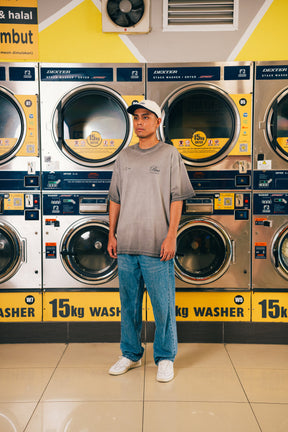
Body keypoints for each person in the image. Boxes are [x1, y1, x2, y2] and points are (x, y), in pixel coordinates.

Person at [107, 99, 194, 382]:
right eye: (136, 118)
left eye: (146, 117)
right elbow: (115, 199)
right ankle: (130, 354)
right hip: (127, 243)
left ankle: (165, 357)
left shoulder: (169, 155)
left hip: (158, 245)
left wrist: (171, 236)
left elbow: (177, 198)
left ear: (158, 122)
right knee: (129, 304)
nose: (140, 122)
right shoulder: (124, 157)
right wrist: (111, 233)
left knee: (163, 305)